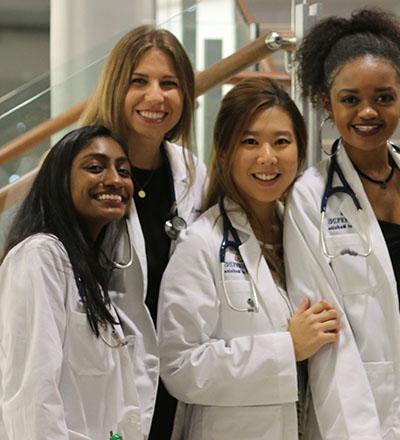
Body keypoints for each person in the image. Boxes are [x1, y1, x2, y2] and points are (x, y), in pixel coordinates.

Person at [284, 8, 400, 439]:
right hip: (365, 398)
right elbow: (325, 331)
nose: (368, 111)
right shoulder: (310, 196)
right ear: (326, 102)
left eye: (383, 97)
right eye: (350, 99)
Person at [157, 77, 340, 439]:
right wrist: (287, 348)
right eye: (250, 142)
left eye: (282, 142)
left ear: (300, 152)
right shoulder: (201, 244)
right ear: (224, 153)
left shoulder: (311, 235)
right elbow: (179, 366)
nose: (268, 157)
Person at [80, 25, 207, 437]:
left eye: (169, 84)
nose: (156, 97)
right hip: (105, 374)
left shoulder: (191, 171)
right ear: (117, 86)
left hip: (176, 374)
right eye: (140, 81)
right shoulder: (82, 171)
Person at [0, 125, 143, 439]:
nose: (115, 180)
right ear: (59, 180)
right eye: (95, 167)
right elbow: (32, 395)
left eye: (124, 170)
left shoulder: (84, 266)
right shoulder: (40, 256)